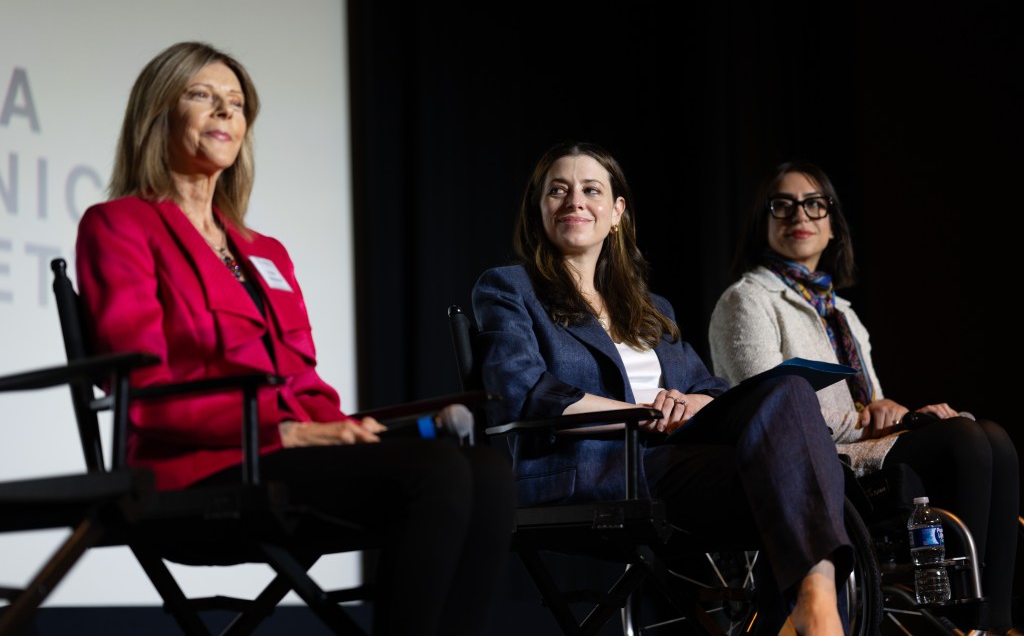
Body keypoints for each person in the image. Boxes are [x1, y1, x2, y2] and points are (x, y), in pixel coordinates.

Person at [74, 41, 515, 636]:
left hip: (281, 462)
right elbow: (144, 390)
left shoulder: (264, 252)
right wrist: (282, 431)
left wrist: (347, 432)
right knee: (435, 472)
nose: (225, 111)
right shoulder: (119, 225)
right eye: (202, 95)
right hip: (189, 476)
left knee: (487, 472)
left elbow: (302, 381)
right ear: (158, 114)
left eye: (236, 103)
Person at [472, 141, 856, 635]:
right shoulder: (510, 288)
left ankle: (814, 602)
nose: (575, 201)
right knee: (798, 477)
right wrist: (643, 415)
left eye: (591, 190)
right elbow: (523, 392)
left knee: (791, 403)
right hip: (589, 469)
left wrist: (691, 403)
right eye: (558, 190)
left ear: (616, 212)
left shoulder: (650, 309)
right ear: (538, 208)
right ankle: (815, 618)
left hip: (670, 461)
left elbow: (712, 389)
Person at [709, 160, 1020, 634]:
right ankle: (959, 621)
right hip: (810, 460)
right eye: (782, 205)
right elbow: (770, 409)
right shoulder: (746, 300)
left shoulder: (844, 313)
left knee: (992, 437)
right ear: (762, 223)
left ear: (833, 225)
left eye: (814, 205)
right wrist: (887, 419)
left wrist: (904, 415)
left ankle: (995, 624)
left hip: (861, 446)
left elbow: (871, 405)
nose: (800, 215)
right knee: (964, 441)